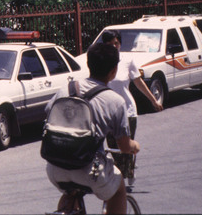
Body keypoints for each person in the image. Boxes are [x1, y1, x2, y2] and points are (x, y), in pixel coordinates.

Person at [46, 42, 140, 215]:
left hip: (55, 168)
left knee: (70, 191)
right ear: (113, 71)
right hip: (89, 169)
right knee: (119, 190)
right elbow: (124, 147)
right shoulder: (115, 100)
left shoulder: (66, 89)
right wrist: (135, 147)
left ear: (88, 64)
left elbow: (48, 113)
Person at [101, 30, 163, 186]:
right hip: (109, 113)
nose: (114, 47)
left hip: (128, 111)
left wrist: (153, 100)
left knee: (125, 147)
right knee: (114, 148)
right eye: (110, 44)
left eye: (117, 43)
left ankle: (125, 174)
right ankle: (122, 175)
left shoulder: (127, 60)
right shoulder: (100, 62)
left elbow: (139, 82)